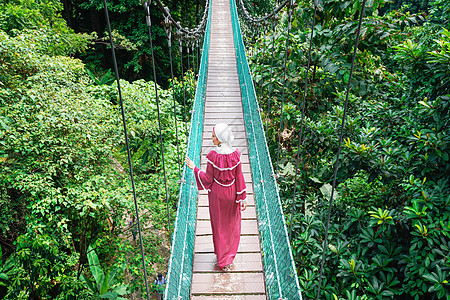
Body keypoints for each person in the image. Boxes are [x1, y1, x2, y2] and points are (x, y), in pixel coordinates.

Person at [185, 123, 247, 271]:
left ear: (219, 138)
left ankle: (221, 258)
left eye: (213, 136)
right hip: (232, 193)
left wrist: (194, 168)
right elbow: (239, 176)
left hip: (217, 195)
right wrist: (242, 197)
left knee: (219, 226)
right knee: (232, 224)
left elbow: (207, 179)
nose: (211, 138)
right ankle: (229, 256)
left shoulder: (213, 156)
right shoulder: (236, 154)